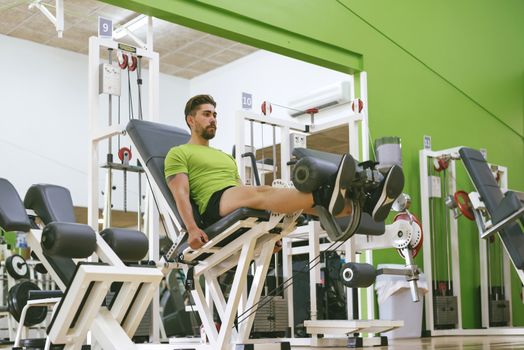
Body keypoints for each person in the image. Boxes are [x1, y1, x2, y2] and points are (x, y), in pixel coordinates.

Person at [165, 94, 403, 249]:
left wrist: (265, 235)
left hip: (233, 197)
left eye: (215, 115)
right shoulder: (179, 153)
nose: (213, 119)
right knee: (263, 191)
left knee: (292, 199)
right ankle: (325, 194)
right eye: (206, 114)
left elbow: (239, 187)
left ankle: (362, 203)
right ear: (191, 120)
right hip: (213, 205)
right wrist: (192, 229)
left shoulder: (225, 156)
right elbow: (181, 193)